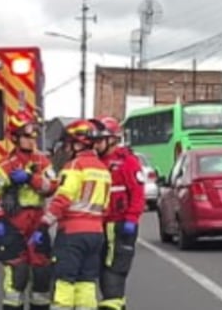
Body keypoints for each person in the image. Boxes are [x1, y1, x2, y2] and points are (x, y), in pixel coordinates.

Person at [0, 111, 57, 310]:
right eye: (27, 135)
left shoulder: (42, 162)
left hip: (37, 223)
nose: (32, 139)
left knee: (42, 274)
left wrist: (31, 179)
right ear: (14, 138)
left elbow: (52, 186)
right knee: (18, 274)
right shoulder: (7, 165)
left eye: (34, 135)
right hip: (14, 223)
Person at [33, 119, 111, 310]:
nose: (66, 149)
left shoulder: (74, 166)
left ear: (78, 144)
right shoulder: (103, 169)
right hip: (96, 234)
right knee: (86, 281)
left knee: (64, 280)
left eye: (68, 144)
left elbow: (63, 198)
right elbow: (106, 207)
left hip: (72, 234)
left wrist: (44, 224)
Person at [93, 116, 145, 310]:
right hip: (99, 224)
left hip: (119, 223)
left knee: (114, 271)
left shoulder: (127, 162)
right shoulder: (94, 162)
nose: (96, 144)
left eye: (100, 140)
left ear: (112, 139)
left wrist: (131, 219)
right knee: (100, 270)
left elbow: (138, 193)